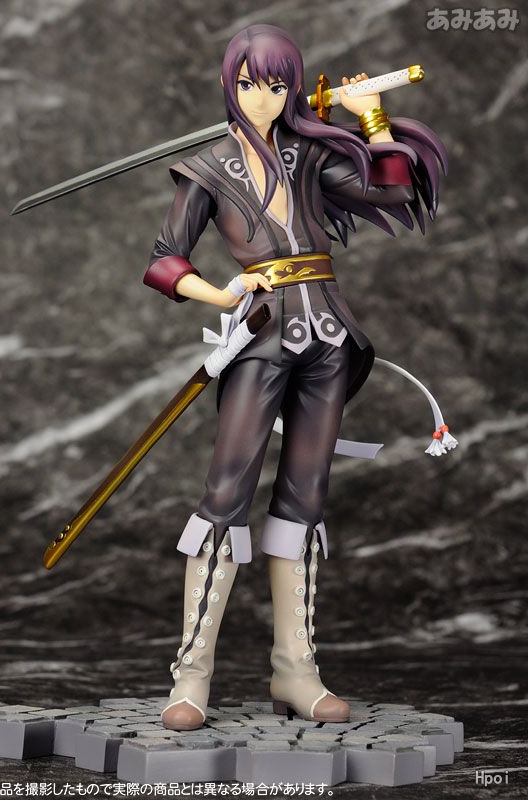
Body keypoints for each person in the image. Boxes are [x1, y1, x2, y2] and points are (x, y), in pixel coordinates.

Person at [143, 24, 447, 731]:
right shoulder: (209, 167)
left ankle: (296, 669)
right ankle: (191, 676)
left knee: (305, 501)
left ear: (293, 89)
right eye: (250, 84)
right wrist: (221, 293)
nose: (263, 98)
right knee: (225, 496)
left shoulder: (307, 156)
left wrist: (371, 118)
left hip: (329, 338)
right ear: (231, 84)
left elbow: (391, 191)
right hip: (260, 338)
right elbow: (163, 260)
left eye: (277, 86)